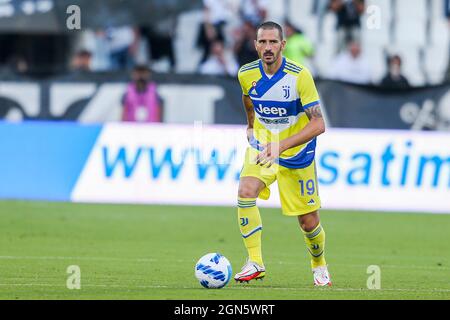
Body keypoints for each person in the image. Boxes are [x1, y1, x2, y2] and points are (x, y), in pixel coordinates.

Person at [235, 21, 331, 286]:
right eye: (262, 42)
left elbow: (318, 124)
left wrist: (282, 146)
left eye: (273, 42)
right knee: (245, 191)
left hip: (297, 154)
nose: (267, 47)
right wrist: (251, 124)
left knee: (308, 223)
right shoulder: (246, 73)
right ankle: (255, 261)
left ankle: (318, 264)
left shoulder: (300, 76)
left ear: (283, 45)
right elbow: (247, 98)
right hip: (263, 146)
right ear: (255, 45)